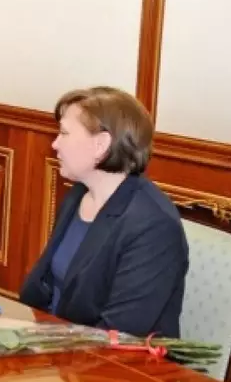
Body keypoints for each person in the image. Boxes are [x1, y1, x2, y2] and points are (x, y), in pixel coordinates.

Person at [19, 86, 188, 338]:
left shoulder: (153, 225)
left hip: (113, 357)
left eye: (64, 133)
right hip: (56, 339)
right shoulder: (78, 195)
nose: (55, 144)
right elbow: (45, 287)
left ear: (101, 145)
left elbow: (119, 333)